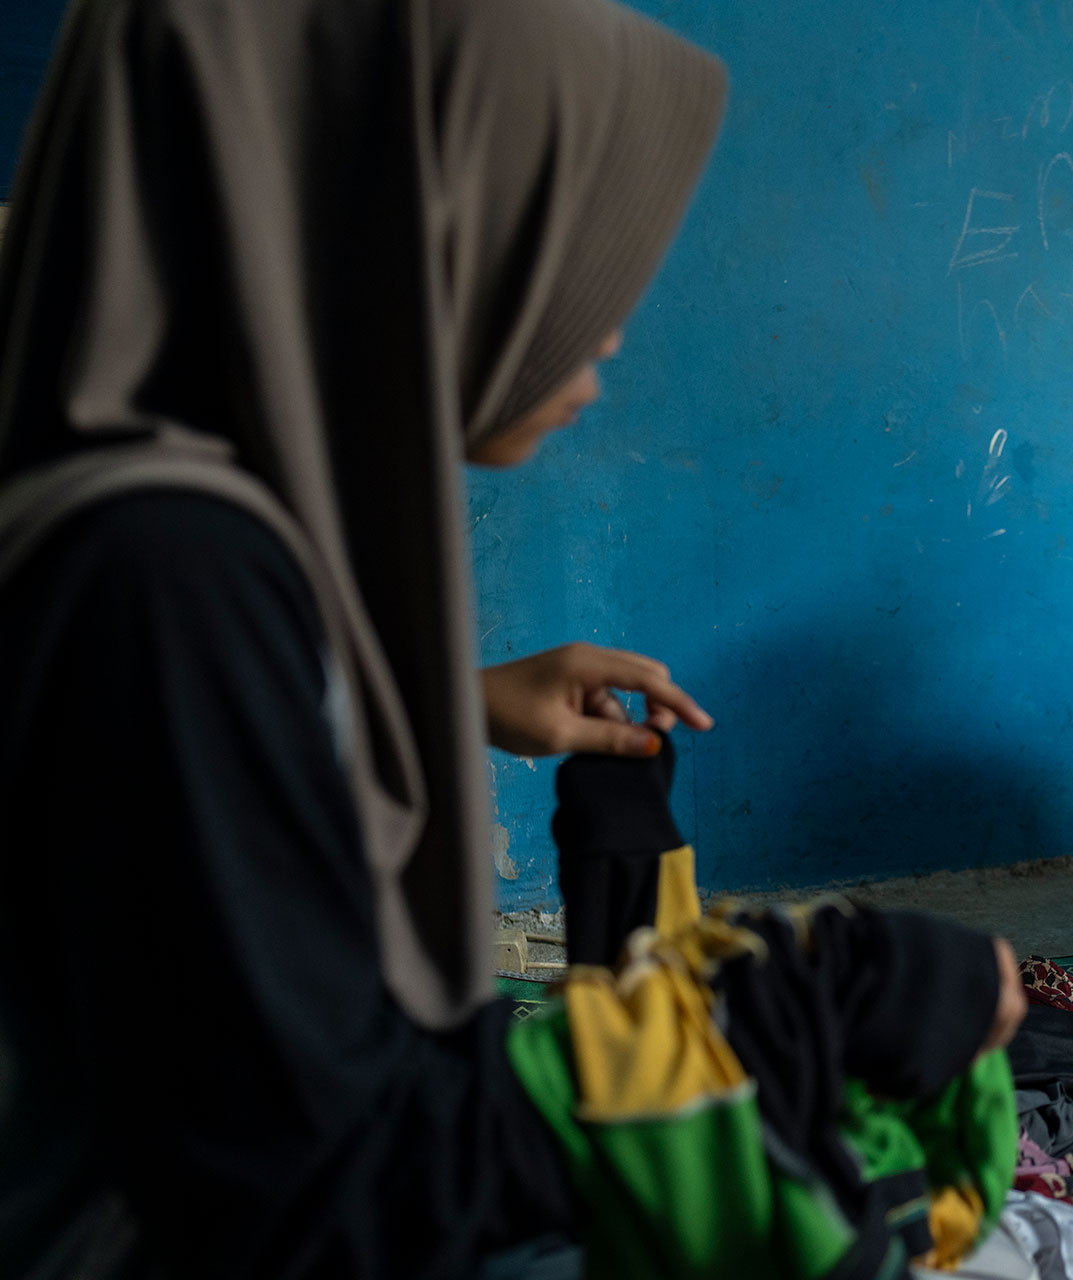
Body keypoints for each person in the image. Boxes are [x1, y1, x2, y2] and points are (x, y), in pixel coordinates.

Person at [0, 1, 1021, 1276]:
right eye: (562, 249)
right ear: (400, 222)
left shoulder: (172, 517)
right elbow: (331, 1169)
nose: (604, 332)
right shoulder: (166, 574)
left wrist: (455, 704)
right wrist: (819, 994)